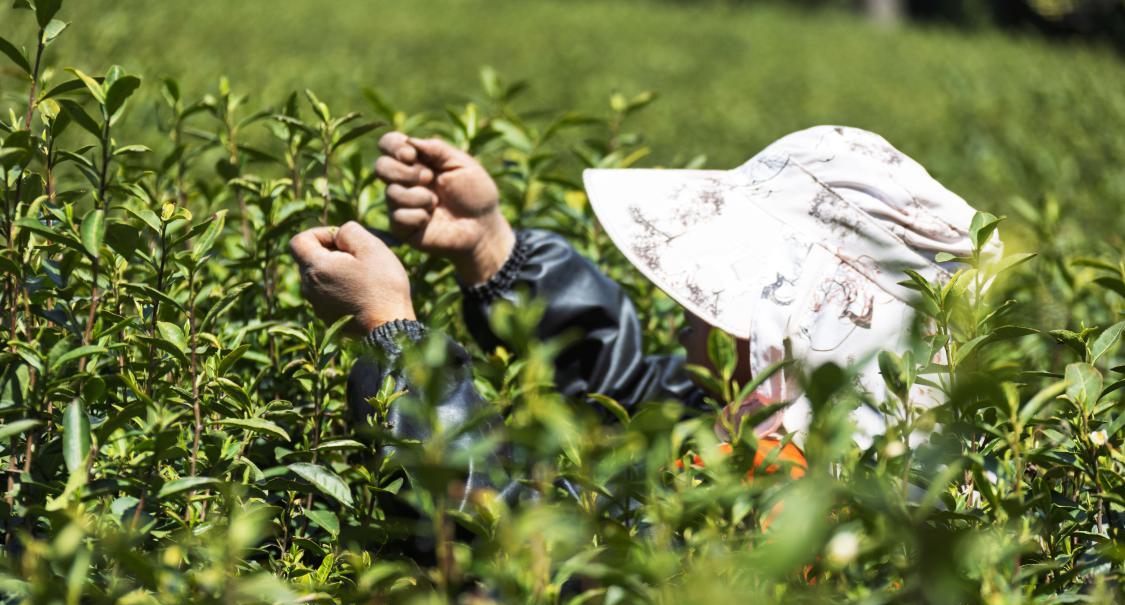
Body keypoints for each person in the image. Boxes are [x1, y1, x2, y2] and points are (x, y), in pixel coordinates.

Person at [288, 125, 1000, 508]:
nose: (686, 315)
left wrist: (393, 335)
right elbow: (627, 394)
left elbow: (526, 541)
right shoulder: (796, 433)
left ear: (796, 329)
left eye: (721, 299)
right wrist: (489, 248)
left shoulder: (781, 498)